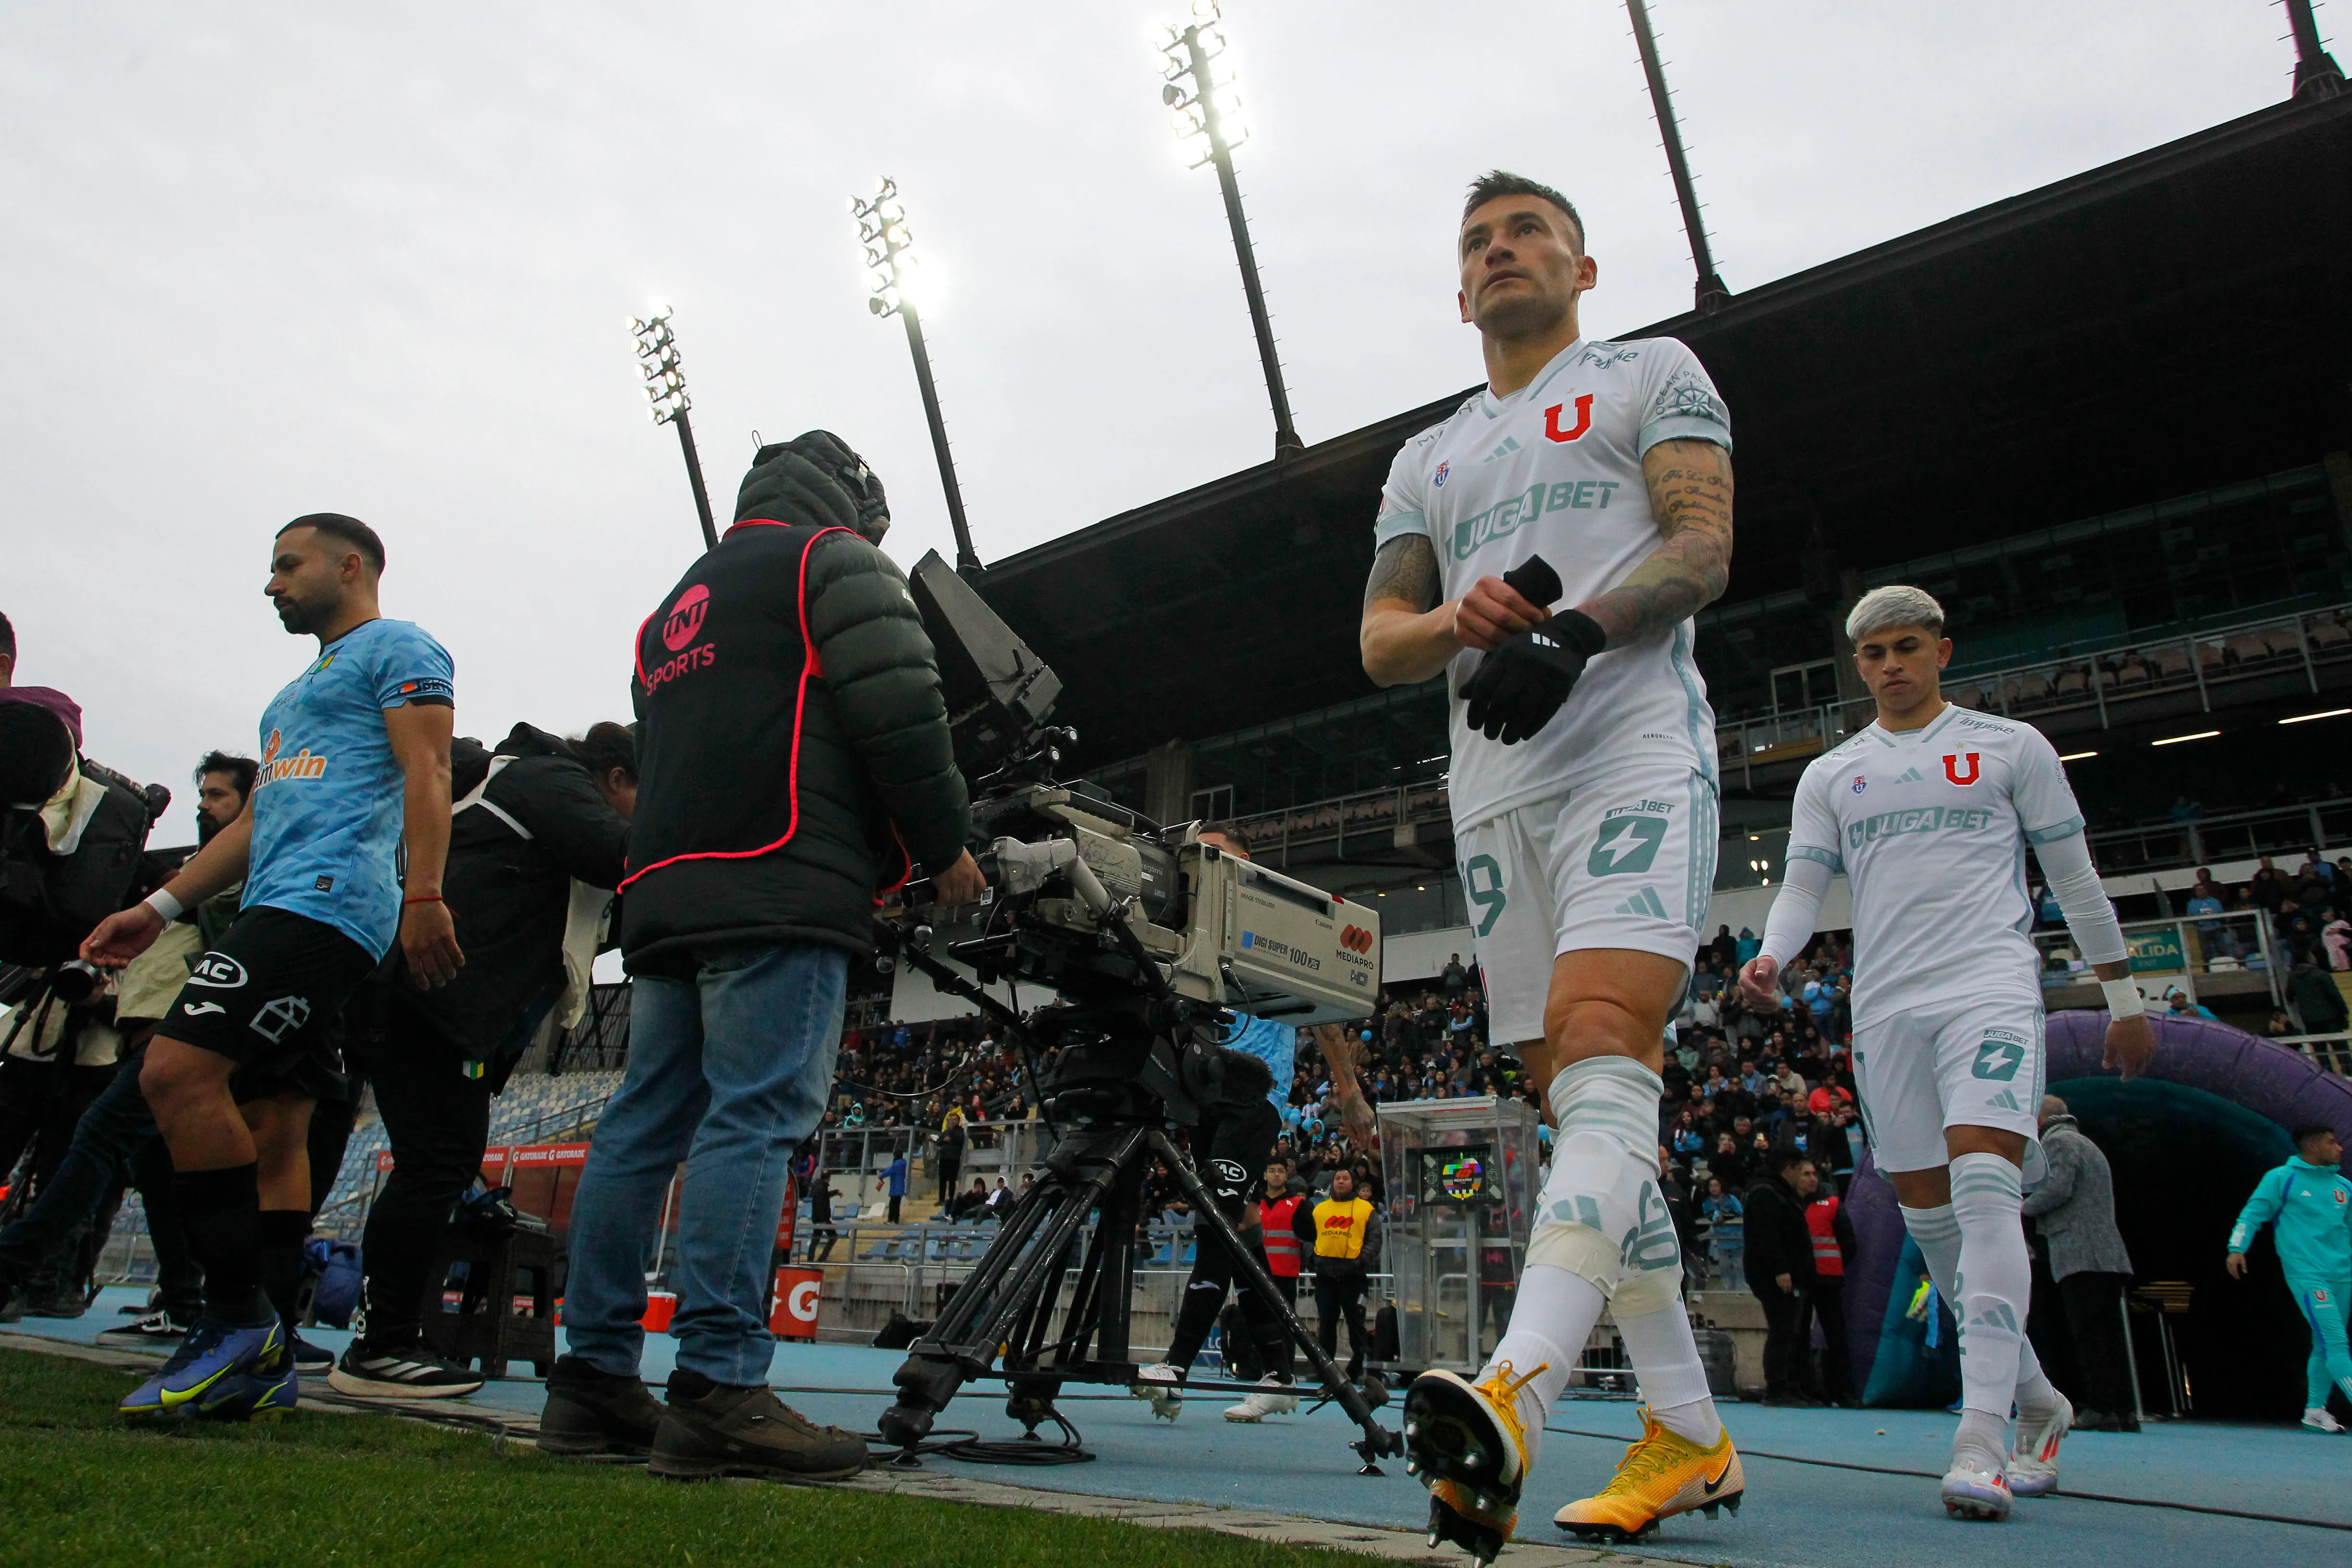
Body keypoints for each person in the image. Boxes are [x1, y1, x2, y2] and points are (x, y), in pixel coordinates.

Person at [1360, 169, 1743, 1555]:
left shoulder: (1652, 372)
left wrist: (1571, 633)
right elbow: (1378, 639)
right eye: (1478, 241)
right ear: (1457, 292)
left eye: (1528, 233)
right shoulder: (1429, 457)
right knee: (1577, 1094)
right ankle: (1689, 1429)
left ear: (1583, 269)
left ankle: (1519, 1391)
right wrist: (1461, 622)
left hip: (1629, 750)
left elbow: (1702, 547)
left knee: (1601, 1039)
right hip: (1493, 789)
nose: (1502, 252)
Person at [535, 434, 982, 1482]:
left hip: (664, 896)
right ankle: (720, 1387)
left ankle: (591, 1378)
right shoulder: (834, 561)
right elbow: (903, 713)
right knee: (757, 1117)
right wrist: (941, 843)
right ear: (852, 501)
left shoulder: (672, 606)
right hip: (776, 878)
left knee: (643, 1126)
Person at [1740, 584, 2157, 1519]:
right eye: (1874, 652)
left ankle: (1980, 1441)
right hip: (1886, 1012)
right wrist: (1775, 953)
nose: (1891, 664)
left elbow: (2074, 873)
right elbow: (1804, 886)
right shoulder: (1833, 774)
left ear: (1942, 651)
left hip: (1990, 992)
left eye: (1907, 647)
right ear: (1858, 666)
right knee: (1933, 1228)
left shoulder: (2012, 749)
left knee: (1985, 1191)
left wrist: (2122, 994)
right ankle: (2041, 1400)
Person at [81, 513, 462, 1423]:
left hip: (327, 904)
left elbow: (432, 768)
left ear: (351, 564)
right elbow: (254, 826)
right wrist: (159, 905)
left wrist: (425, 895)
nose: (272, 583)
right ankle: (267, 1343)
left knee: (173, 1071)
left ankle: (234, 1317)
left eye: (287, 565)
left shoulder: (400, 646)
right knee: (273, 1120)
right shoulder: (292, 698)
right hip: (278, 899)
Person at [328, 721, 636, 1399]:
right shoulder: (548, 779)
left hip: (426, 1001)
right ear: (616, 777)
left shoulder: (513, 785)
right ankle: (381, 1347)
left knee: (438, 1164)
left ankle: (386, 1337)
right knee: (437, 1165)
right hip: (436, 1001)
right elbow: (625, 856)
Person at [1131, 827, 1367, 1424]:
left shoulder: (1271, 920)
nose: (1204, 863)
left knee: (1218, 1220)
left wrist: (1349, 1090)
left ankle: (1178, 1367)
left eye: (1216, 853)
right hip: (1207, 1092)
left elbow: (1323, 1014)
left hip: (1256, 1093)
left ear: (1244, 862)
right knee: (1239, 1229)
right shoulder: (1194, 927)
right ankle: (1280, 1375)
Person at [2020, 1095, 2138, 1432]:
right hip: (2107, 1254)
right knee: (2110, 1334)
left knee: (2089, 1335)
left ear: (2041, 1119)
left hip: (2080, 1253)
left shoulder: (2059, 1143)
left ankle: (2100, 1407)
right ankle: (2123, 1410)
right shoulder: (2087, 1144)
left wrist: (2022, 1207)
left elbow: (2057, 1189)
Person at [2226, 1123, 2352, 1433]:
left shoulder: (2344, 1187)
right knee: (2336, 1342)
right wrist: (2237, 1248)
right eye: (2332, 1142)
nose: (2340, 1148)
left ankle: (2314, 1410)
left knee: (2323, 1345)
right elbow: (2252, 1214)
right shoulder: (2282, 1179)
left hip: (2343, 1276)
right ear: (2312, 1146)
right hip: (2308, 1275)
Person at [1742, 1151, 1818, 1405]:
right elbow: (1768, 1236)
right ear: (1790, 1170)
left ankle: (1790, 1384)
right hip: (1774, 1276)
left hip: (1787, 1274)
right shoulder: (1767, 1193)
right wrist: (1780, 1271)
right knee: (1782, 1330)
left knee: (1791, 1331)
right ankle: (1777, 1387)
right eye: (1801, 1171)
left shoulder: (1776, 1192)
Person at [1296, 1164, 1380, 1383]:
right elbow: (1308, 1237)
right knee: (1326, 1325)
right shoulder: (1319, 1209)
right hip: (1325, 1277)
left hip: (1354, 1277)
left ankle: (1358, 1369)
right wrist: (1313, 1258)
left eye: (1345, 1179)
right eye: (1337, 1179)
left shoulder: (1366, 1209)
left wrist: (1360, 1261)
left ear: (1353, 1183)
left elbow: (1375, 1240)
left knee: (1357, 1325)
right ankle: (1326, 1370)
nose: (1341, 1182)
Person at [1803, 1176, 1857, 1405]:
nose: (1811, 1179)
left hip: (1826, 1280)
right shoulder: (1792, 1205)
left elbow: (1849, 1243)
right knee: (1801, 1337)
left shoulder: (1832, 1205)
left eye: (1813, 1174)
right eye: (1806, 1174)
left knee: (1836, 1337)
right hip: (1811, 1279)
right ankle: (1817, 1391)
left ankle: (1840, 1391)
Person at [882, 1152, 907, 1225]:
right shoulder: (903, 1164)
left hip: (895, 1188)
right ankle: (895, 1220)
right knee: (896, 1205)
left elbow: (887, 1172)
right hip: (900, 1188)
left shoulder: (896, 1165)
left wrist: (881, 1176)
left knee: (893, 1205)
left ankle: (892, 1220)